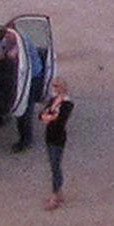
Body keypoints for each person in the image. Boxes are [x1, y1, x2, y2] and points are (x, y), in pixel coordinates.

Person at [39, 78, 73, 210]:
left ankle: (55, 193)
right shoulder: (54, 100)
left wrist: (48, 117)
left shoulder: (67, 104)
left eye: (55, 86)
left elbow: (60, 121)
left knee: (55, 166)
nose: (53, 88)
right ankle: (58, 192)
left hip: (57, 136)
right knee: (53, 164)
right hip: (50, 135)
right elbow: (41, 114)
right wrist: (48, 117)